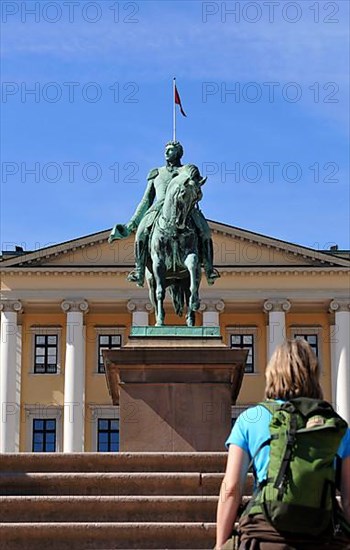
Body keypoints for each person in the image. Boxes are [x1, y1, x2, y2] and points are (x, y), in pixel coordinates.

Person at [216, 339, 350, 550]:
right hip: (322, 537)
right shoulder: (335, 425)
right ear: (314, 374)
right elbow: (349, 497)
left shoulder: (251, 418)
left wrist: (219, 544)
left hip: (262, 534)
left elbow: (231, 489)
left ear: (272, 373)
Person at [109, 141, 220, 287]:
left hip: (186, 208)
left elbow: (196, 186)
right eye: (166, 150)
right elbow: (146, 199)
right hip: (159, 208)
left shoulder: (187, 170)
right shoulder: (156, 173)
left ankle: (209, 269)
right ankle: (139, 270)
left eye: (171, 150)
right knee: (141, 233)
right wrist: (133, 222)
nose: (166, 153)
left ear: (179, 153)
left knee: (205, 231)